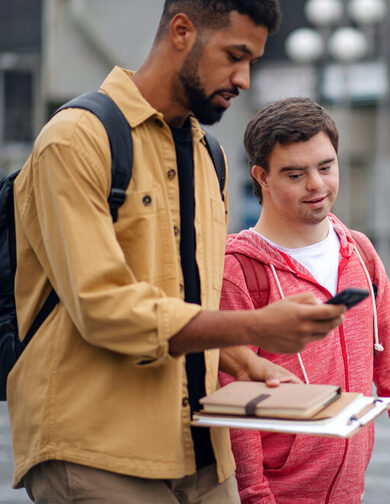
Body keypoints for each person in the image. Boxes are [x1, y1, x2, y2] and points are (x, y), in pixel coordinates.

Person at [10, 3, 346, 503]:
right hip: (98, 450)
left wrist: (241, 360)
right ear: (182, 31)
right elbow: (103, 308)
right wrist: (254, 327)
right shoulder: (75, 139)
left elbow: (185, 297)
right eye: (235, 55)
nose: (244, 78)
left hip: (205, 448)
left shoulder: (209, 155)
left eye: (252, 60)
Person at [219, 97, 390, 504]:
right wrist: (255, 495)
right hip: (274, 493)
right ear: (261, 177)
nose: (316, 185)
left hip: (348, 491)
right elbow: (235, 403)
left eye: (325, 167)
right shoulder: (238, 269)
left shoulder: (358, 251)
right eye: (295, 174)